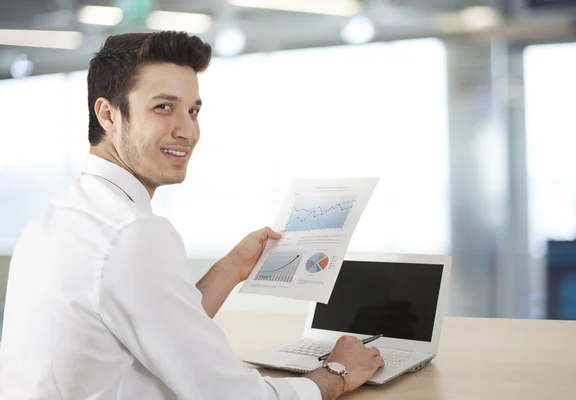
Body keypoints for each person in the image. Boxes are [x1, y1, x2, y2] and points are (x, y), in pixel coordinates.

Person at [0, 31, 384, 399]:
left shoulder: (57, 217)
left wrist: (233, 267)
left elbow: (158, 327)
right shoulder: (132, 233)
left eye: (193, 110)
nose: (188, 130)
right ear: (109, 115)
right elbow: (231, 396)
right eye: (163, 107)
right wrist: (336, 374)